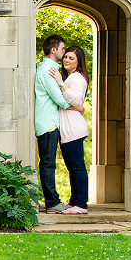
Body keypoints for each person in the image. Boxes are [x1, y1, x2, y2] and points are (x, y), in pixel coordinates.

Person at [34, 35, 83, 213]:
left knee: (48, 163)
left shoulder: (50, 68)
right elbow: (60, 99)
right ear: (53, 50)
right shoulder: (48, 69)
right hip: (48, 123)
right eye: (62, 49)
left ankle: (52, 201)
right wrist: (78, 107)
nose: (64, 53)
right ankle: (52, 202)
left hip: (50, 122)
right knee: (48, 164)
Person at [48, 46, 89, 214]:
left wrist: (60, 82)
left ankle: (81, 204)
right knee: (73, 167)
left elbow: (76, 99)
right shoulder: (71, 77)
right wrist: (76, 106)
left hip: (74, 129)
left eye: (71, 58)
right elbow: (74, 103)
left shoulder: (77, 77)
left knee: (77, 167)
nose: (66, 60)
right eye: (65, 57)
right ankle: (75, 201)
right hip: (69, 130)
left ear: (79, 61)